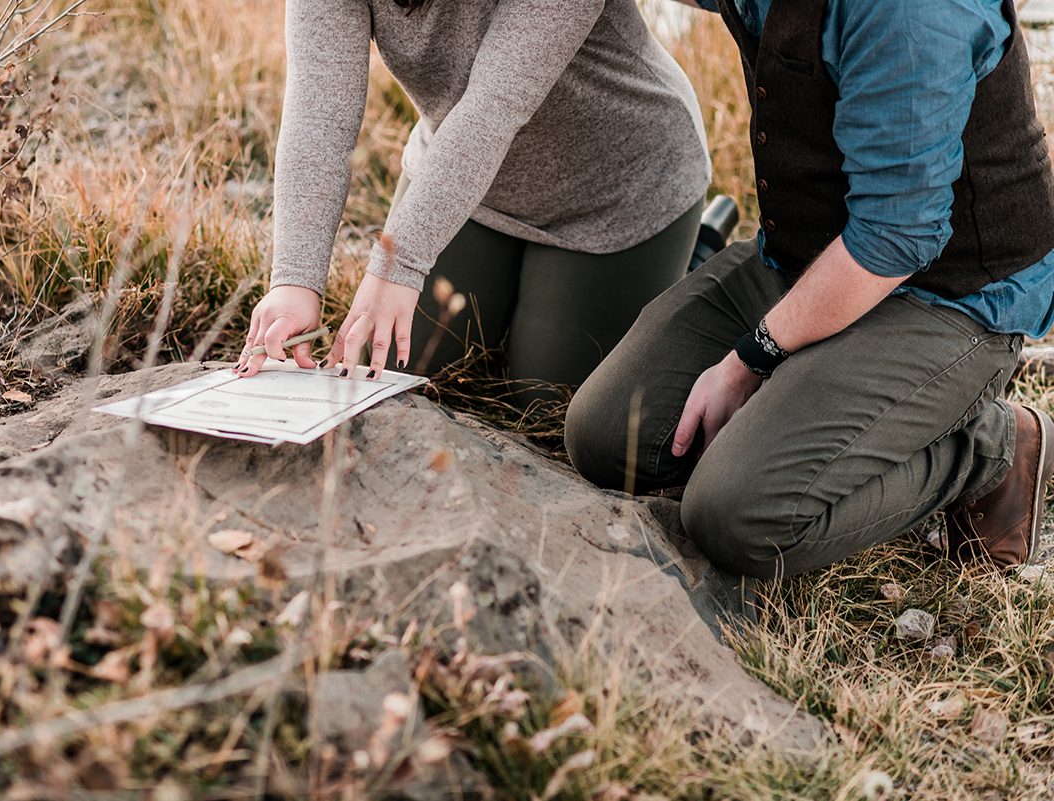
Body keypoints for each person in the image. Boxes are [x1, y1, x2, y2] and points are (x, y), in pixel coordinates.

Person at [566, 0, 1054, 577]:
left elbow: (898, 235)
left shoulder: (909, 11)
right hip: (806, 259)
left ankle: (991, 448)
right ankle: (814, 405)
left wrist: (750, 358)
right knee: (607, 436)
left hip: (950, 292)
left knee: (736, 517)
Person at [234, 0, 712, 411]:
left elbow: (494, 106)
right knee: (394, 368)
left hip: (618, 192)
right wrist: (296, 281)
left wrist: (398, 265)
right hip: (461, 188)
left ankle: (699, 251)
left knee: (548, 395)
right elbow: (318, 115)